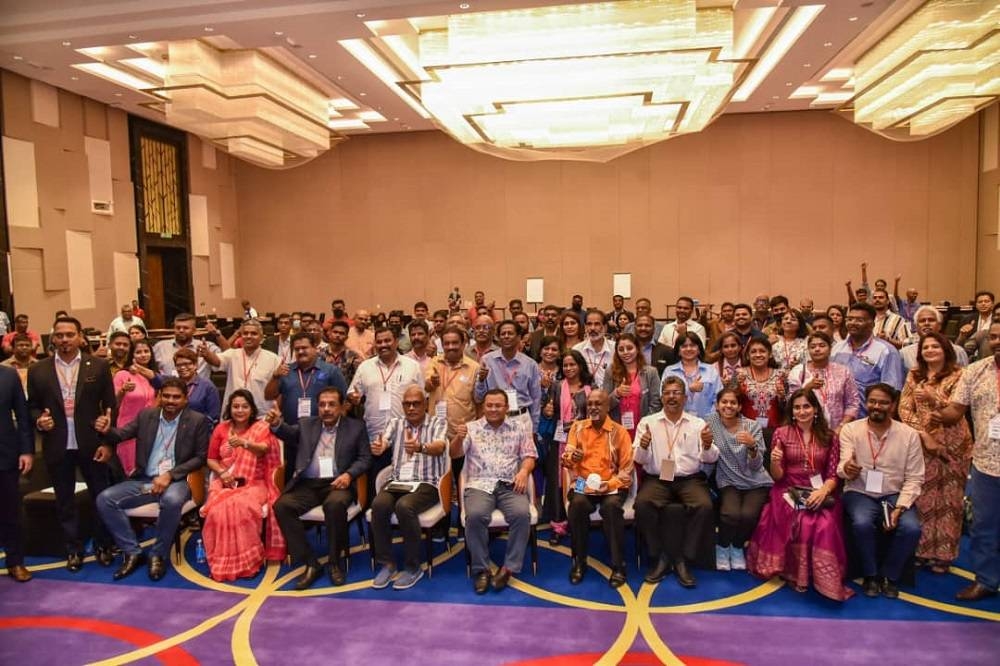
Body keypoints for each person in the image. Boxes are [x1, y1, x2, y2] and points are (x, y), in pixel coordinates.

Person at [95, 378, 211, 581]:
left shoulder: (197, 420)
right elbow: (121, 435)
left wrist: (170, 475)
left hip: (178, 481)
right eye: (166, 396)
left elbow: (201, 457)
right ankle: (132, 552)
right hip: (144, 479)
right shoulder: (146, 415)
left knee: (171, 500)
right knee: (105, 499)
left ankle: (158, 554)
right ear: (159, 397)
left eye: (176, 397)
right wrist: (107, 431)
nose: (171, 401)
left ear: (185, 400)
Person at [27, 316, 117, 572]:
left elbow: (110, 406)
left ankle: (103, 544)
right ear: (52, 338)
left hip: (92, 443)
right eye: (59, 335)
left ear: (80, 337)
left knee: (100, 496)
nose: (64, 339)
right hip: (57, 443)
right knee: (64, 500)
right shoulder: (38, 370)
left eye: (69, 334)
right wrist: (38, 421)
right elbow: (32, 407)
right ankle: (73, 549)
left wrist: (108, 443)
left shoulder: (98, 366)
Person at [747, 389, 853, 600]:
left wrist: (822, 491)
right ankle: (797, 574)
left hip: (820, 489)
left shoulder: (829, 436)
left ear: (815, 410)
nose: (802, 411)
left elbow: (833, 474)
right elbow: (777, 476)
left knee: (823, 525)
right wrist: (775, 461)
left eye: (806, 406)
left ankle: (821, 577)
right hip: (788, 489)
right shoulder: (781, 433)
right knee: (800, 521)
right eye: (797, 407)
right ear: (792, 411)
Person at [269, 387, 372, 589]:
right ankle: (311, 562)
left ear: (342, 407)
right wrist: (276, 424)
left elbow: (365, 458)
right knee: (282, 506)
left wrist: (349, 475)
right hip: (309, 484)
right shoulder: (307, 424)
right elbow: (288, 433)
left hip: (338, 483)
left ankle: (334, 561)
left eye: (332, 404)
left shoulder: (356, 427)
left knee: (334, 506)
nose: (326, 409)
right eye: (322, 404)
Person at [839, 384, 925, 599]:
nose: (877, 406)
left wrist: (901, 506)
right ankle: (871, 575)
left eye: (883, 402)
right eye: (872, 401)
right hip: (859, 491)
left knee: (912, 528)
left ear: (893, 405)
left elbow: (915, 477)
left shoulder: (909, 435)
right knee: (861, 523)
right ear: (866, 403)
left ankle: (890, 576)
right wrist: (847, 469)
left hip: (894, 493)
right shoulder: (851, 430)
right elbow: (842, 466)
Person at [935, 320, 1000, 600]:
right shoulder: (975, 370)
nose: (997, 341)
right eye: (994, 337)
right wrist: (937, 413)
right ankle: (986, 581)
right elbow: (956, 411)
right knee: (983, 525)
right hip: (986, 463)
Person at [898, 332, 972, 574]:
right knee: (925, 497)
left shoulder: (960, 374)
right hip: (922, 443)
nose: (930, 350)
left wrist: (934, 396)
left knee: (950, 500)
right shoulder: (914, 374)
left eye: (935, 346)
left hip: (954, 443)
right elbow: (905, 409)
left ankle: (944, 555)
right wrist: (923, 434)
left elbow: (958, 407)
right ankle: (922, 550)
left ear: (946, 350)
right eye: (926, 347)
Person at [450, 389, 537, 594]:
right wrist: (456, 438)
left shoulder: (519, 427)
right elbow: (454, 454)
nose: (493, 409)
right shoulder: (472, 428)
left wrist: (524, 471)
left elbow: (530, 455)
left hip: (510, 483)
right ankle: (482, 569)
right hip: (480, 484)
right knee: (475, 515)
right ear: (483, 407)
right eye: (489, 405)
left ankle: (508, 568)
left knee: (521, 514)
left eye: (498, 405)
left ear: (506, 407)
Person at [634, 377, 717, 587]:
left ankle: (682, 557)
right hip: (658, 478)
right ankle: (660, 555)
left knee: (704, 505)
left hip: (689, 479)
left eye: (676, 392)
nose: (672, 396)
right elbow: (638, 459)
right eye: (668, 392)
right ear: (662, 397)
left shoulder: (697, 423)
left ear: (685, 397)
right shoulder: (647, 422)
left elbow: (710, 458)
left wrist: (707, 446)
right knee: (642, 504)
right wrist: (643, 446)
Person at [369, 386, 449, 590]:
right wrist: (380, 447)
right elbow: (384, 441)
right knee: (378, 504)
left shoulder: (437, 422)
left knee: (405, 507)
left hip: (426, 483)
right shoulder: (396, 423)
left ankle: (413, 567)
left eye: (416, 403)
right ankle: (387, 563)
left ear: (425, 404)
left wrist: (420, 447)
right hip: (397, 481)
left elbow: (440, 446)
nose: (411, 407)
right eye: (407, 404)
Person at [200, 390, 284, 582]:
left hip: (254, 483)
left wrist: (245, 443)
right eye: (236, 406)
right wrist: (222, 473)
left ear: (252, 409)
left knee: (241, 508)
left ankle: (247, 562)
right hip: (225, 481)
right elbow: (211, 459)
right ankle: (223, 561)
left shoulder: (260, 428)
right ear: (229, 408)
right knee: (217, 511)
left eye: (244, 406)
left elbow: (264, 449)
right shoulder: (221, 429)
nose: (240, 410)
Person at [562, 390, 633, 587]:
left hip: (611, 484)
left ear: (607, 407)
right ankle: (579, 562)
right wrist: (571, 458)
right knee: (577, 504)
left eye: (598, 404)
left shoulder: (619, 432)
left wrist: (608, 485)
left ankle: (618, 566)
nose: (592, 407)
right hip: (584, 483)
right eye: (590, 403)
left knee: (610, 508)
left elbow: (627, 470)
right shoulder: (577, 428)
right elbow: (566, 460)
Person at [347, 327, 423, 494]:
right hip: (375, 437)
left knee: (404, 487)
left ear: (396, 342)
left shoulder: (412, 366)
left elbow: (422, 398)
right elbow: (353, 392)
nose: (383, 345)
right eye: (379, 341)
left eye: (387, 340)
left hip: (405, 437)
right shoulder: (365, 367)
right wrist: (353, 397)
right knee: (375, 487)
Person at [705, 388, 772, 572]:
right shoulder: (709, 422)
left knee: (748, 515)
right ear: (717, 405)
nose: (728, 406)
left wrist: (752, 446)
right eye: (724, 402)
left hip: (755, 480)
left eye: (733, 402)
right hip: (728, 479)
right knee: (730, 514)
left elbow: (756, 466)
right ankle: (723, 547)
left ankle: (736, 547)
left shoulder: (751, 426)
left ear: (740, 406)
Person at [543, 349, 594, 544]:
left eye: (573, 364)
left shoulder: (590, 388)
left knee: (578, 480)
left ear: (580, 366)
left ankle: (576, 521)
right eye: (565, 365)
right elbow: (547, 408)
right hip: (560, 442)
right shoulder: (556, 386)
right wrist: (547, 411)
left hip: (584, 445)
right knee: (559, 484)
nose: (569, 368)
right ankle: (558, 524)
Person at [831, 302, 905, 415]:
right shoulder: (837, 348)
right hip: (836, 417)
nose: (852, 323)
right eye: (849, 319)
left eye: (859, 320)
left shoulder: (886, 351)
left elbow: (892, 392)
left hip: (868, 419)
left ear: (872, 324)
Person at [201, 319, 283, 416]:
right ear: (241, 337)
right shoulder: (232, 354)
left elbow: (280, 392)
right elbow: (216, 361)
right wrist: (206, 354)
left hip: (261, 415)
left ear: (261, 337)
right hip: (235, 414)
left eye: (253, 333)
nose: (249, 336)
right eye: (245, 333)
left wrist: (274, 413)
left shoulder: (274, 359)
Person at [474, 320, 542, 435]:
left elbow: (536, 398)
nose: (506, 336)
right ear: (498, 337)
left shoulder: (530, 364)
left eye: (510, 333)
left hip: (521, 418)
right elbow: (478, 397)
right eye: (503, 334)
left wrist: (534, 428)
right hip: (494, 419)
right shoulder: (487, 360)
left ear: (519, 337)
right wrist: (481, 380)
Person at [787, 332, 861, 433]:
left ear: (830, 349)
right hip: (806, 431)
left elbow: (853, 403)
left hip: (838, 431)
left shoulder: (843, 371)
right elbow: (791, 402)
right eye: (813, 347)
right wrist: (807, 388)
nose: (817, 349)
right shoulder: (798, 372)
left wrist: (841, 427)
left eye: (822, 346)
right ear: (808, 350)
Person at [0, 363, 33, 582]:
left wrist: (27, 450)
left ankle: (15, 562)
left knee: (10, 511)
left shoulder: (9, 375)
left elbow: (23, 416)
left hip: (5, 455)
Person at [112, 338, 158, 476]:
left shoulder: (155, 375)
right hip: (128, 427)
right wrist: (122, 391)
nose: (143, 355)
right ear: (132, 355)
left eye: (146, 351)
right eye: (138, 352)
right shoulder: (122, 374)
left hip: (151, 426)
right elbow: (113, 402)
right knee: (130, 469)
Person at [603, 333, 662, 437]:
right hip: (617, 429)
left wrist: (644, 425)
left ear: (637, 349)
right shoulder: (610, 372)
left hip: (644, 429)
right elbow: (604, 405)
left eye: (629, 348)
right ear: (616, 352)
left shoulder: (651, 372)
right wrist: (616, 393)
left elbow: (656, 404)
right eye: (621, 349)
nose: (625, 352)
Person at [737, 338, 787, 442]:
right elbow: (730, 400)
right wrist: (736, 387)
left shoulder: (781, 375)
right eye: (753, 352)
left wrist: (782, 397)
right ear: (747, 356)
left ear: (770, 354)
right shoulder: (739, 374)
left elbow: (788, 407)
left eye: (762, 351)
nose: (758, 355)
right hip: (746, 431)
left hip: (775, 430)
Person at [661, 332, 721, 419]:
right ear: (678, 351)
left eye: (693, 345)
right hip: (677, 422)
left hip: (707, 423)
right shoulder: (669, 371)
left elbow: (718, 398)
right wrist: (689, 390)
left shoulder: (711, 370)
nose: (688, 349)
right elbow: (664, 398)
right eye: (684, 346)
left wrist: (709, 420)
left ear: (699, 349)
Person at [153, 313, 221, 380]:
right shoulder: (160, 346)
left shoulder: (206, 346)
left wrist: (217, 335)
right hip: (169, 388)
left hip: (199, 389)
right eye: (178, 328)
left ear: (194, 330)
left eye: (185, 328)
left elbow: (228, 355)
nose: (181, 330)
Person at [900, 306, 968, 371]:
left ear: (939, 326)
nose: (926, 323)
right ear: (916, 327)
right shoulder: (905, 354)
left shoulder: (958, 351)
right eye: (922, 321)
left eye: (931, 320)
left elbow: (966, 380)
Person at [171, 348, 220, 425]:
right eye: (179, 365)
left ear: (195, 365)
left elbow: (213, 416)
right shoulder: (172, 385)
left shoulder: (208, 386)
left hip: (199, 431)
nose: (183, 368)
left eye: (187, 364)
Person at [573, 309, 614, 388]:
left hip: (609, 396)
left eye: (597, 324)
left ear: (605, 327)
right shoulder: (577, 350)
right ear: (585, 327)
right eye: (589, 324)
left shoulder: (615, 349)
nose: (592, 328)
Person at [324, 319, 362, 386]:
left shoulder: (353, 356)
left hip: (344, 393)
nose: (338, 335)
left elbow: (357, 379)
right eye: (335, 332)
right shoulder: (320, 354)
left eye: (342, 333)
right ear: (329, 334)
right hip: (323, 392)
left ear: (347, 337)